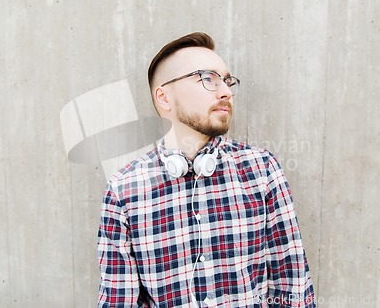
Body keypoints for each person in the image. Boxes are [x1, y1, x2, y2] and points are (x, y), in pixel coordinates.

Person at [97, 32, 316, 307]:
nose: (225, 91)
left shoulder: (262, 171)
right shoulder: (124, 190)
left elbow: (293, 288)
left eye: (226, 81)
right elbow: (119, 301)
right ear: (164, 98)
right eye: (207, 78)